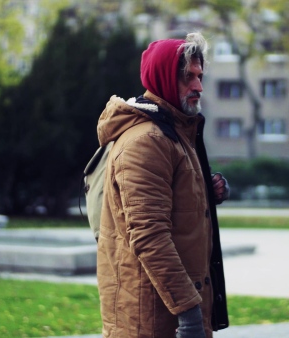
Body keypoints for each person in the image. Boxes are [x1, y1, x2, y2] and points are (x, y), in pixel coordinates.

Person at [95, 32, 230, 338]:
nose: (198, 86)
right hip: (152, 320)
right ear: (164, 79)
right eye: (188, 77)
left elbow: (175, 205)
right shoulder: (147, 141)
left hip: (171, 313)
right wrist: (189, 314)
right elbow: (149, 235)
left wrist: (209, 191)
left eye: (199, 76)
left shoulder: (174, 133)